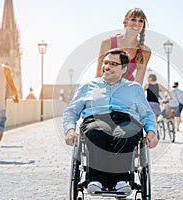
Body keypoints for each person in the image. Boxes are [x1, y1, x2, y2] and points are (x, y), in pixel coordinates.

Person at [63, 48, 158, 194]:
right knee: (95, 131)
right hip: (96, 118)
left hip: (126, 119)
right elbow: (71, 111)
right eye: (106, 62)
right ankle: (97, 179)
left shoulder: (134, 88)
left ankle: (121, 180)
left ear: (124, 69)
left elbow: (147, 115)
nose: (107, 66)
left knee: (127, 133)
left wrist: (151, 132)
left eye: (113, 64)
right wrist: (70, 130)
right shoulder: (87, 87)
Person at [96, 7, 151, 85]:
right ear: (125, 22)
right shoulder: (107, 43)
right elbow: (99, 74)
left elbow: (139, 81)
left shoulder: (145, 51)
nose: (137, 24)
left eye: (141, 21)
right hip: (106, 88)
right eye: (133, 19)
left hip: (127, 91)